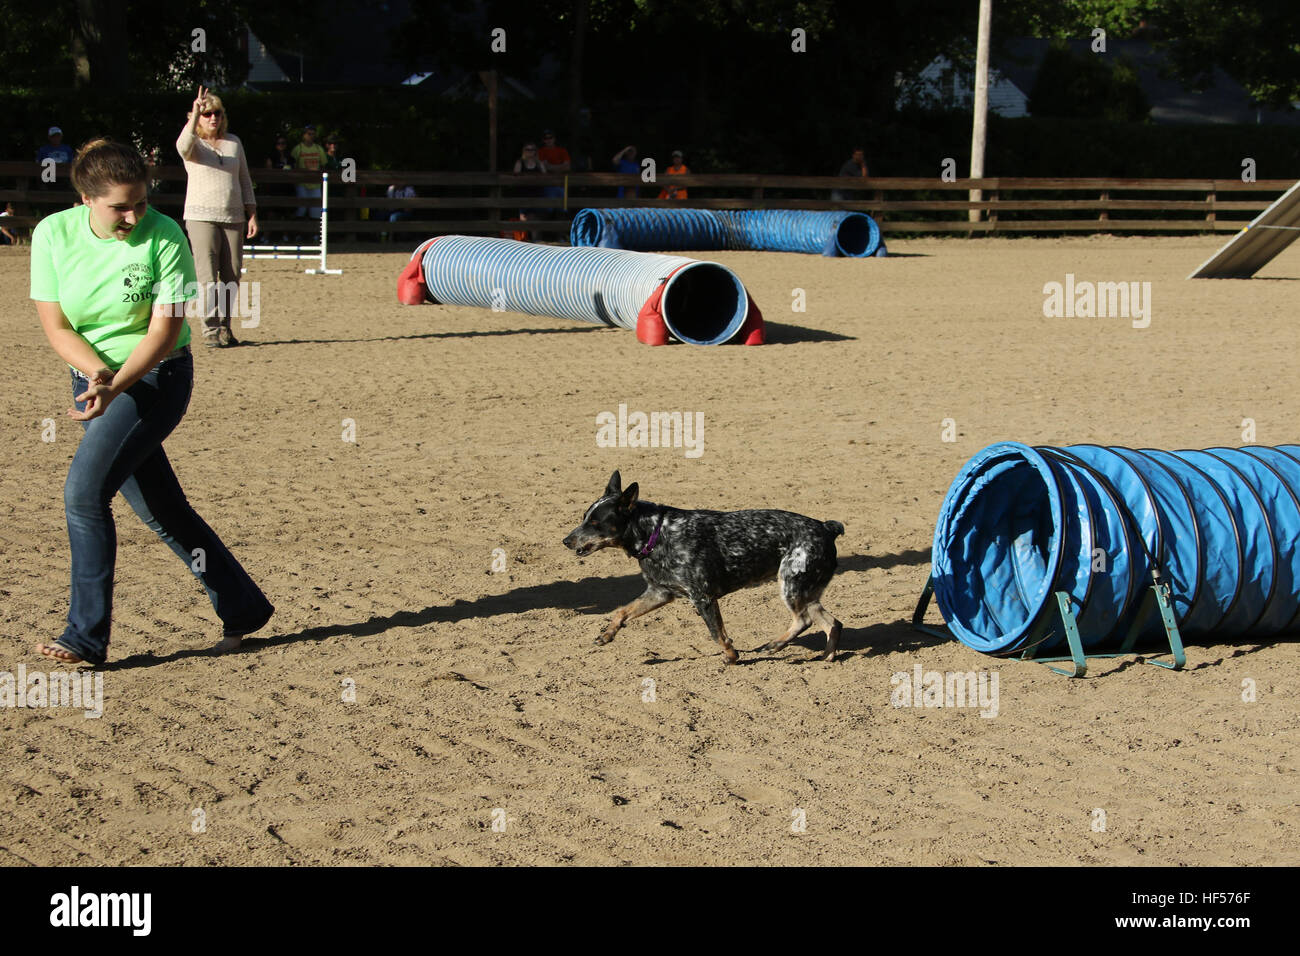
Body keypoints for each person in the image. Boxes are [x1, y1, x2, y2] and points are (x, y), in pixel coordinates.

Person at [28, 138, 274, 666]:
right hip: (96, 382)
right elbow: (58, 326)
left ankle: (84, 637)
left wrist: (114, 385)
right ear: (85, 198)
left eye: (140, 202)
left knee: (83, 496)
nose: (133, 215)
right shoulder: (52, 235)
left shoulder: (164, 235)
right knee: (162, 508)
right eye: (120, 206)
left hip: (155, 379)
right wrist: (97, 375)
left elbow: (164, 334)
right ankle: (244, 606)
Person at [176, 85, 257, 348]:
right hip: (201, 218)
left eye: (217, 113)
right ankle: (210, 329)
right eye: (207, 113)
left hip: (234, 217)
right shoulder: (194, 144)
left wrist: (252, 213)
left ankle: (225, 327)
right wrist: (193, 115)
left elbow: (244, 179)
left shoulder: (234, 142)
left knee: (232, 274)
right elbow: (182, 146)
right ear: (198, 116)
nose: (213, 118)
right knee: (207, 276)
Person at [512, 142, 547, 240]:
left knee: (536, 217)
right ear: (524, 151)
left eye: (532, 150)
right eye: (528, 149)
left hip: (537, 193)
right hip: (524, 193)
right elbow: (515, 177)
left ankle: (536, 240)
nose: (530, 152)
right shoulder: (520, 163)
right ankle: (523, 239)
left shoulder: (539, 163)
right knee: (524, 217)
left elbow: (545, 176)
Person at [291, 124, 327, 218]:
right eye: (309, 134)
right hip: (302, 184)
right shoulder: (298, 149)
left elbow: (324, 165)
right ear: (304, 135)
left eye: (313, 134)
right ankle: (298, 231)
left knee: (316, 210)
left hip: (316, 184)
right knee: (301, 209)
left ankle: (315, 232)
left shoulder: (319, 149)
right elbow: (292, 166)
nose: (311, 136)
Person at [537, 129, 570, 218]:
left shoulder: (562, 150)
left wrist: (550, 167)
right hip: (547, 184)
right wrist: (560, 167)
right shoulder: (541, 151)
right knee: (548, 208)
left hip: (561, 183)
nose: (548, 140)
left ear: (554, 139)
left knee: (563, 208)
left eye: (550, 137)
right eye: (546, 138)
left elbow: (567, 167)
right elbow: (543, 167)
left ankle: (560, 231)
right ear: (543, 140)